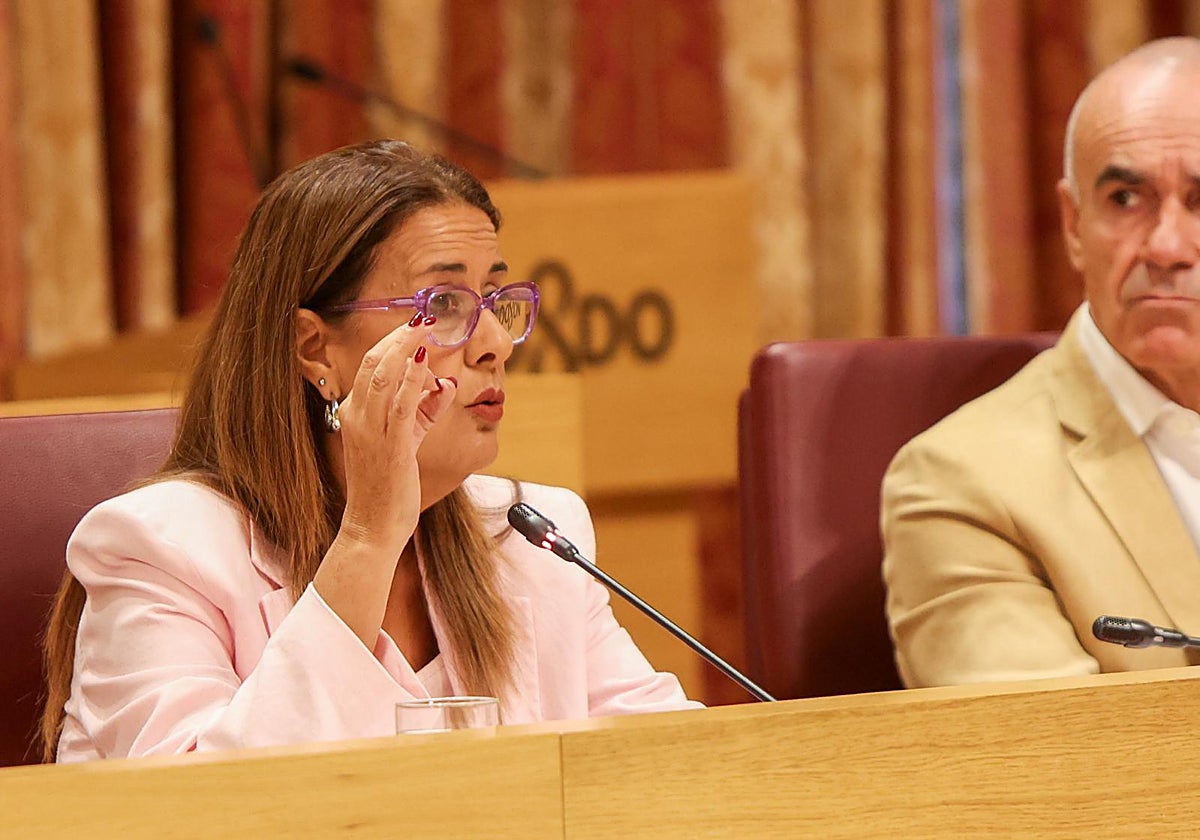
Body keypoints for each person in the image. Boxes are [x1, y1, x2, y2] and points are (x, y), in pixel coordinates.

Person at [41, 140, 699, 762]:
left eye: (495, 299)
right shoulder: (161, 553)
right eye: (443, 304)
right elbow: (198, 813)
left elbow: (666, 768)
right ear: (314, 349)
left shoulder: (531, 541)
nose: (493, 341)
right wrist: (368, 534)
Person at [882, 37, 1200, 688]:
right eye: (1125, 199)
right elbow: (1051, 769)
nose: (1166, 246)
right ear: (1072, 223)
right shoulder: (963, 486)